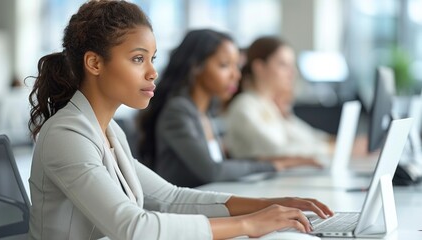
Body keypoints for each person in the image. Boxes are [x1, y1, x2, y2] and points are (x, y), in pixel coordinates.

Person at [28, 1, 333, 239]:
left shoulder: (108, 131)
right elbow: (135, 228)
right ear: (94, 63)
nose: (152, 72)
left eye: (152, 58)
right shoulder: (66, 134)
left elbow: (169, 198)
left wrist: (271, 204)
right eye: (138, 59)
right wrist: (249, 224)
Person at [137, 29, 321, 188]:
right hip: (183, 214)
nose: (236, 75)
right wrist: (275, 165)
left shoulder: (204, 111)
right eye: (225, 65)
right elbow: (213, 171)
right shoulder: (178, 111)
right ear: (196, 67)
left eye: (237, 66)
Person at [224, 36, 337, 161]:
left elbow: (304, 138)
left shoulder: (269, 105)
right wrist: (329, 149)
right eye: (283, 65)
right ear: (259, 67)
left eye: (292, 65)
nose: (292, 73)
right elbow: (276, 151)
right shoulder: (244, 105)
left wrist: (331, 143)